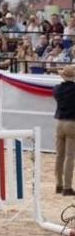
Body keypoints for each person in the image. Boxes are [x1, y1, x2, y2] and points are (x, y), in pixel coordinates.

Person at [53, 65, 75, 196]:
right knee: (70, 156)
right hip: (72, 123)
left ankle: (59, 184)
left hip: (59, 122)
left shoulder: (57, 89)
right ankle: (67, 187)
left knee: (59, 155)